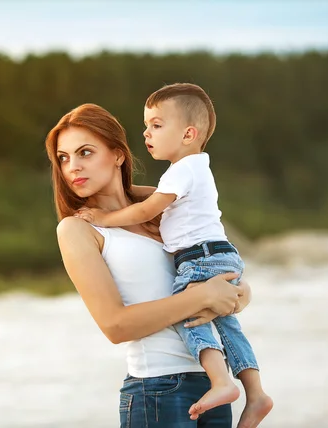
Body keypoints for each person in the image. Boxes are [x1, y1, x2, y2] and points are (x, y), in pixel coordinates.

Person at [45, 102, 255, 427]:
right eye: (63, 158)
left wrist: (238, 292)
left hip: (214, 383)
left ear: (117, 154)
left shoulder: (164, 209)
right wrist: (203, 297)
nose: (72, 166)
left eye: (84, 152)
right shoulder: (79, 229)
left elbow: (220, 273)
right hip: (157, 389)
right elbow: (115, 326)